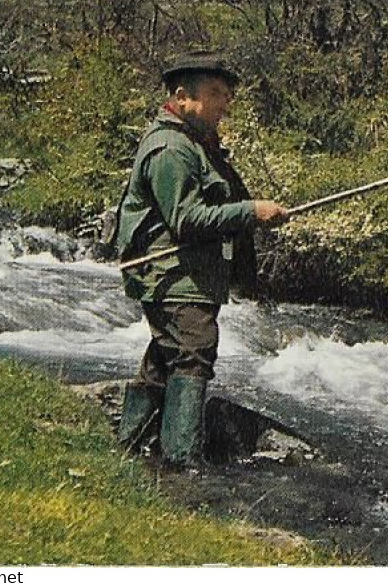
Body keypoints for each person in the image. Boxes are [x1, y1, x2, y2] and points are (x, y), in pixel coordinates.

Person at [113, 51, 287, 467]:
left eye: (227, 95)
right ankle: (180, 464)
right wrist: (251, 211)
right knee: (194, 351)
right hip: (172, 276)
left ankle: (128, 449)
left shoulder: (197, 145)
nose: (225, 103)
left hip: (184, 276)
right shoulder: (171, 149)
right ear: (182, 96)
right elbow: (186, 220)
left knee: (164, 358)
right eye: (215, 93)